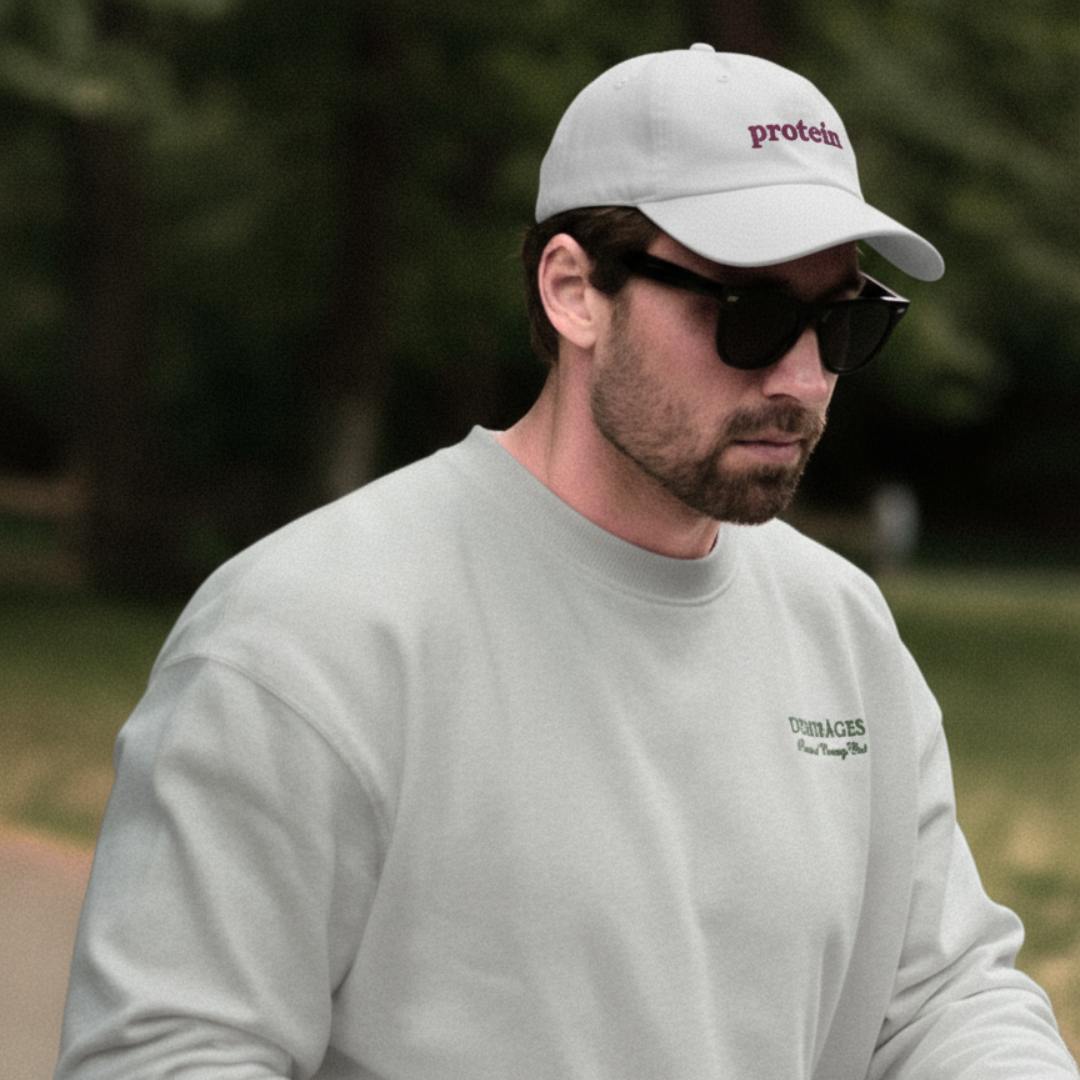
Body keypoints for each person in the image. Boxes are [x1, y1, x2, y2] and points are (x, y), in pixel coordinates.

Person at [55, 45, 1077, 1080]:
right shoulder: (307, 632)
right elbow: (166, 1054)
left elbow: (943, 997)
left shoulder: (842, 630)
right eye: (750, 314)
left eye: (843, 321)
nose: (803, 377)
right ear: (574, 290)